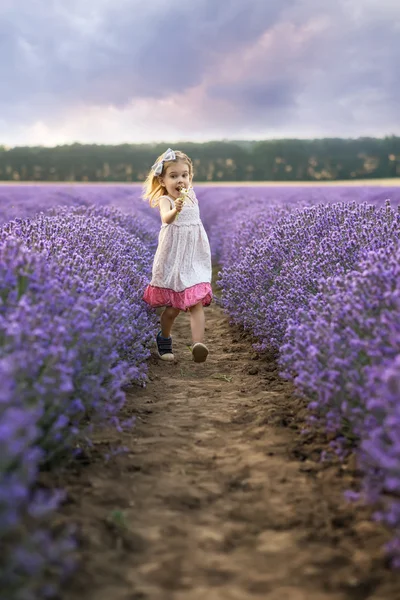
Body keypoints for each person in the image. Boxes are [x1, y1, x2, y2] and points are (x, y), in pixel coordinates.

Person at [142, 148, 212, 363]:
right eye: (173, 176)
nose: (180, 180)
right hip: (174, 258)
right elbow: (166, 219)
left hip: (194, 256)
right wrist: (176, 209)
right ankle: (164, 338)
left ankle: (198, 344)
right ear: (162, 181)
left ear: (190, 178)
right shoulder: (166, 200)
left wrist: (184, 198)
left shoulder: (192, 195)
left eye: (184, 175)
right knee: (172, 310)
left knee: (196, 301)